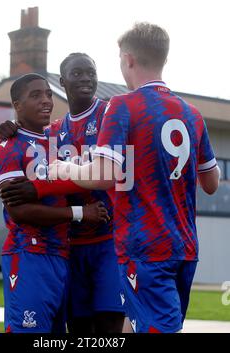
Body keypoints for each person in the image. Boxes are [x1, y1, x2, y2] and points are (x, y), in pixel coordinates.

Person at [48, 23, 220, 333]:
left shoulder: (123, 105)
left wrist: (65, 169)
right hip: (185, 246)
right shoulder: (191, 113)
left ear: (127, 59)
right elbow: (211, 183)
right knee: (139, 324)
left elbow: (104, 173)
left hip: (145, 247)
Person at [0, 54, 125, 334]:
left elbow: (110, 176)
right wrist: (9, 128)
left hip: (109, 241)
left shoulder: (111, 115)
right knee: (76, 327)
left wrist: (37, 187)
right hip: (71, 244)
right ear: (63, 81)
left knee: (109, 327)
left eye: (91, 72)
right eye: (77, 73)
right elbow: (31, 149)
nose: (86, 79)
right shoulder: (54, 132)